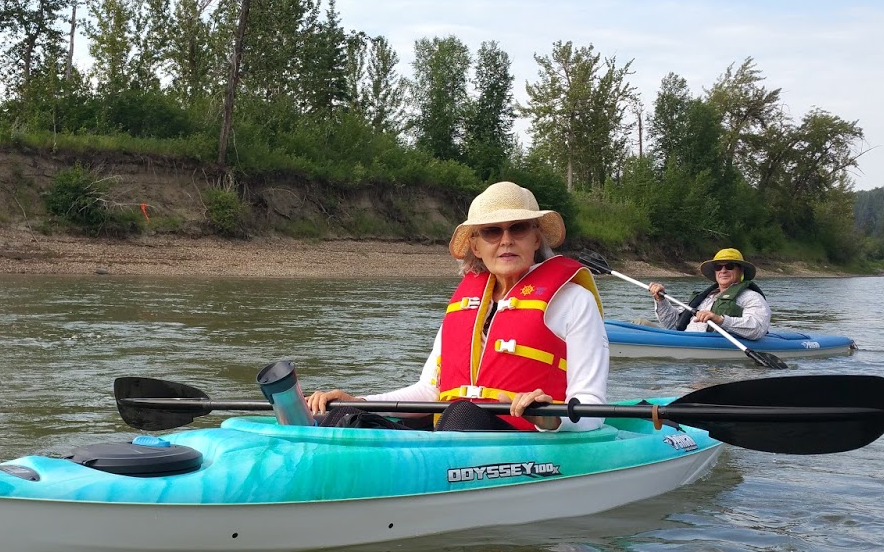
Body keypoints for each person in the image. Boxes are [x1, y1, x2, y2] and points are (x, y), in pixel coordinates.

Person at [305, 181, 608, 431]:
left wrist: (547, 417)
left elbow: (592, 407)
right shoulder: (466, 307)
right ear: (476, 245)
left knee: (462, 413)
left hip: (529, 440)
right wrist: (359, 401)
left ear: (535, 238)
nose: (506, 240)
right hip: (453, 435)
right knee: (344, 417)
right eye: (492, 231)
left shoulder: (573, 301)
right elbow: (430, 391)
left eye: (518, 228)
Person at [647, 247, 772, 339]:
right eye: (718, 267)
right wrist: (660, 300)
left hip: (711, 348)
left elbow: (758, 328)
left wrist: (721, 320)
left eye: (729, 266)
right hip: (685, 342)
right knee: (639, 323)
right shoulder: (705, 297)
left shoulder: (751, 297)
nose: (723, 271)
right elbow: (672, 324)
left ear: (740, 270)